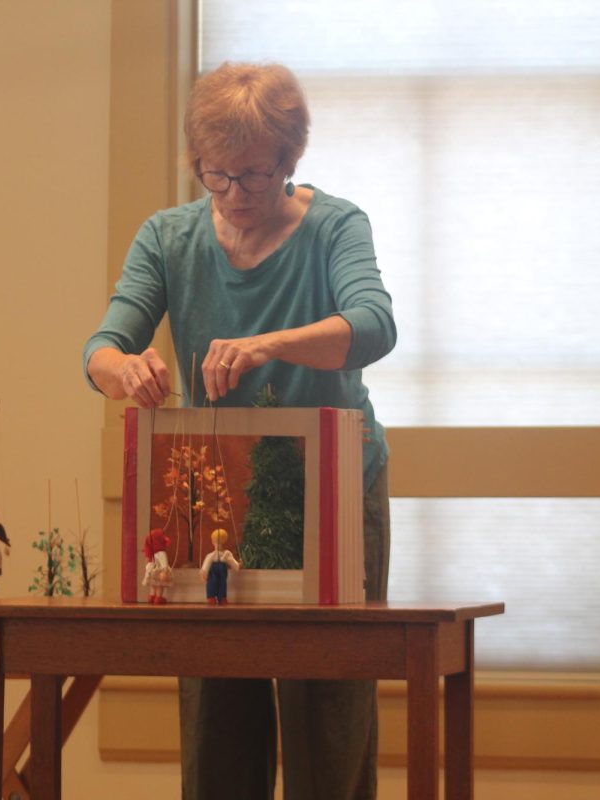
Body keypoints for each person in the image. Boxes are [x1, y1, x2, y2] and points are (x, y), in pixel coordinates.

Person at [83, 62, 395, 800]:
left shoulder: (336, 227)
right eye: (214, 176)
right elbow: (100, 349)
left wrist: (268, 344)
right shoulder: (167, 237)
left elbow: (373, 327)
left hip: (335, 489)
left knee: (328, 712)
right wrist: (125, 371)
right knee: (218, 710)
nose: (232, 196)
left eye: (253, 178)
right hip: (216, 490)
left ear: (290, 164)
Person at [200, 528, 241, 605]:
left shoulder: (226, 553)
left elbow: (231, 561)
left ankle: (222, 598)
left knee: (222, 583)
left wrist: (237, 565)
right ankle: (211, 598)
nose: (218, 543)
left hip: (222, 568)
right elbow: (207, 562)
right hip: (213, 569)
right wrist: (204, 572)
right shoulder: (212, 555)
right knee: (212, 582)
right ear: (213, 542)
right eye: (216, 541)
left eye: (220, 540)